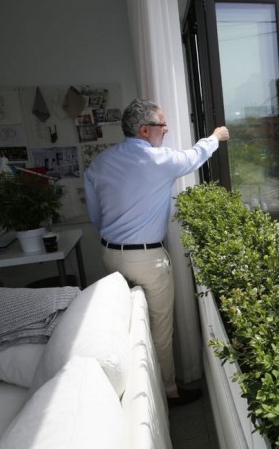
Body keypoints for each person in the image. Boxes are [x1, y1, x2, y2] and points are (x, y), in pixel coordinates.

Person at [84, 99, 229, 407]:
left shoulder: (100, 162)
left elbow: (95, 217)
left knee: (127, 322)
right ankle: (168, 391)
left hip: (110, 254)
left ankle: (135, 386)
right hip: (148, 259)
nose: (166, 132)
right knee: (160, 329)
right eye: (163, 126)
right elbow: (194, 156)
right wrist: (216, 137)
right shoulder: (158, 160)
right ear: (145, 130)